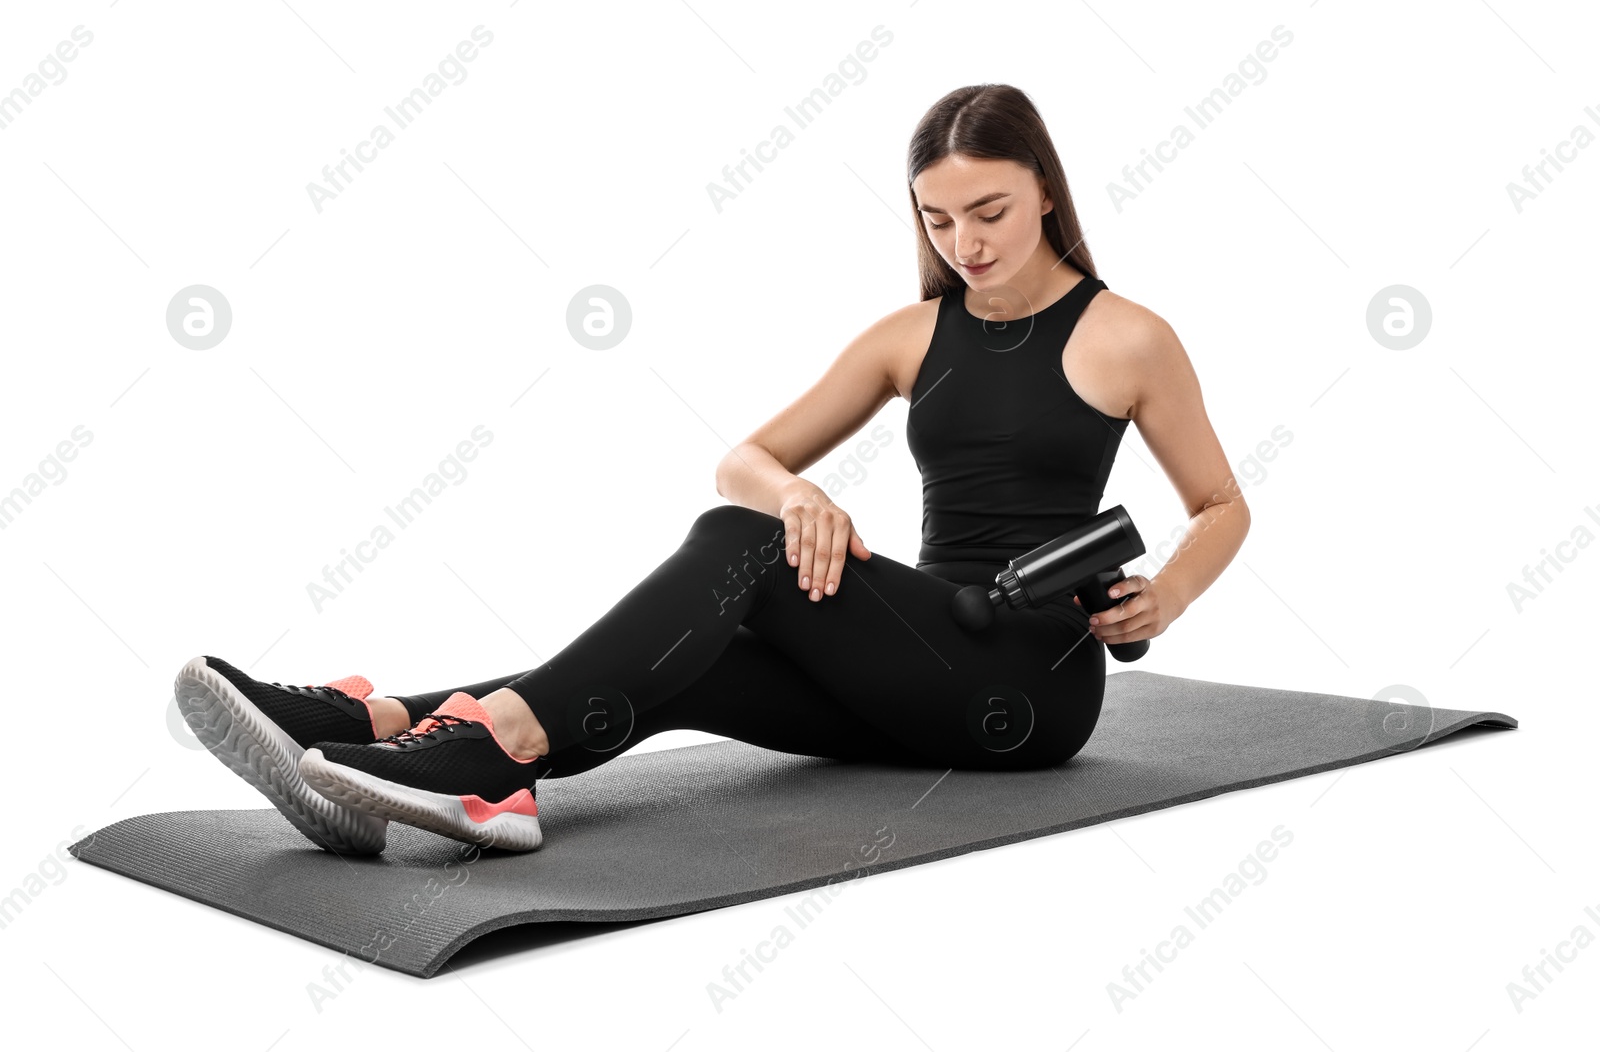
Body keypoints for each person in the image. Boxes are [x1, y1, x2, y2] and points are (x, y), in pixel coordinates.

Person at [174, 83, 1250, 856]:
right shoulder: (911, 334)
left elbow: (1218, 503)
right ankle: (383, 732)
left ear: (1047, 194)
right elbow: (746, 458)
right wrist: (799, 490)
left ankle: (489, 746)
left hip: (1029, 680)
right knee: (695, 643)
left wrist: (1170, 588)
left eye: (990, 212)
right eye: (937, 217)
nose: (963, 240)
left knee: (740, 547)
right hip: (913, 669)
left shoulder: (1128, 336)